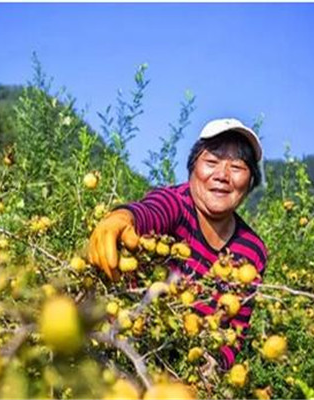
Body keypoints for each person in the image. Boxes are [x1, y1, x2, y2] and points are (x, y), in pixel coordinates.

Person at [88, 118, 267, 372]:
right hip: (124, 355)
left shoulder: (252, 250)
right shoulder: (176, 205)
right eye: (212, 162)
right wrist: (122, 217)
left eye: (237, 167)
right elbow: (152, 210)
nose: (222, 176)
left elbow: (236, 329)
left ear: (249, 183)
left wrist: (216, 366)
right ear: (193, 168)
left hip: (185, 376)